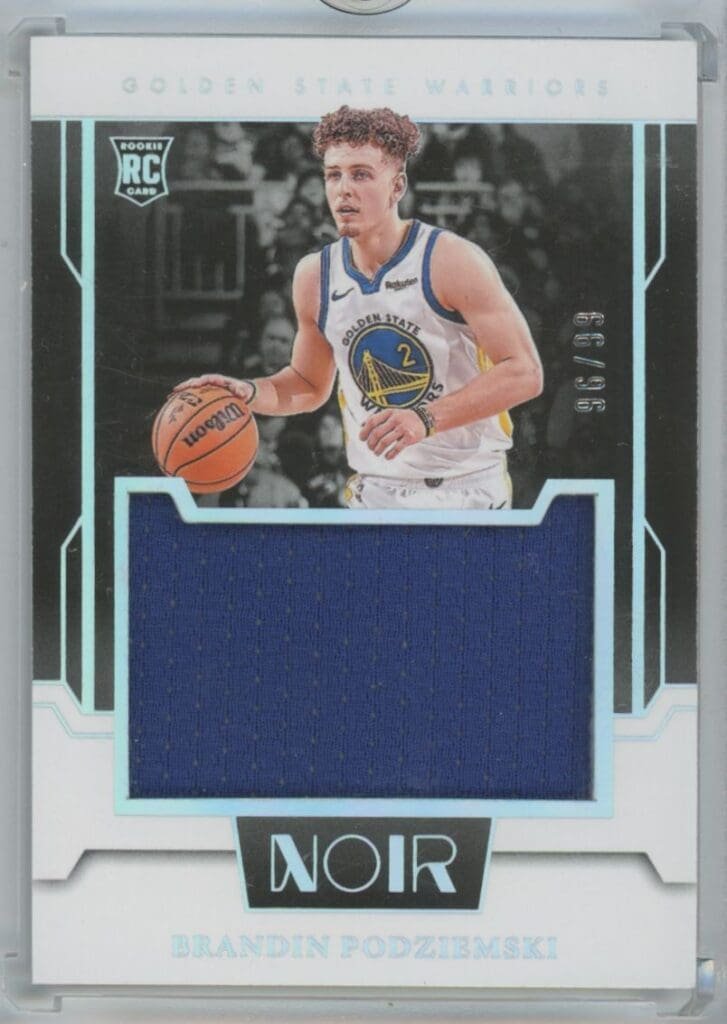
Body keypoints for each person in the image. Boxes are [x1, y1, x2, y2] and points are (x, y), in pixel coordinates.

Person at [176, 106, 543, 510]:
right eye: (333, 175)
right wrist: (249, 391)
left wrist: (425, 417)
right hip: (376, 490)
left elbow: (524, 372)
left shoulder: (451, 259)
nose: (343, 190)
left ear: (397, 186)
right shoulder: (315, 274)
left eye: (361, 174)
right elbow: (308, 384)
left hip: (464, 488)